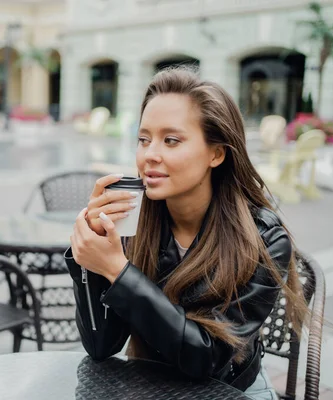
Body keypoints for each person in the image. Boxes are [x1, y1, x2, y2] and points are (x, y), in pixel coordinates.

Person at [65, 67, 308, 400]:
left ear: (216, 153)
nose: (150, 154)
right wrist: (90, 260)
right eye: (143, 139)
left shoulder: (263, 240)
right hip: (148, 384)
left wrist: (116, 271)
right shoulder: (131, 222)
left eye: (171, 140)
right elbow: (101, 347)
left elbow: (208, 359)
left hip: (230, 390)